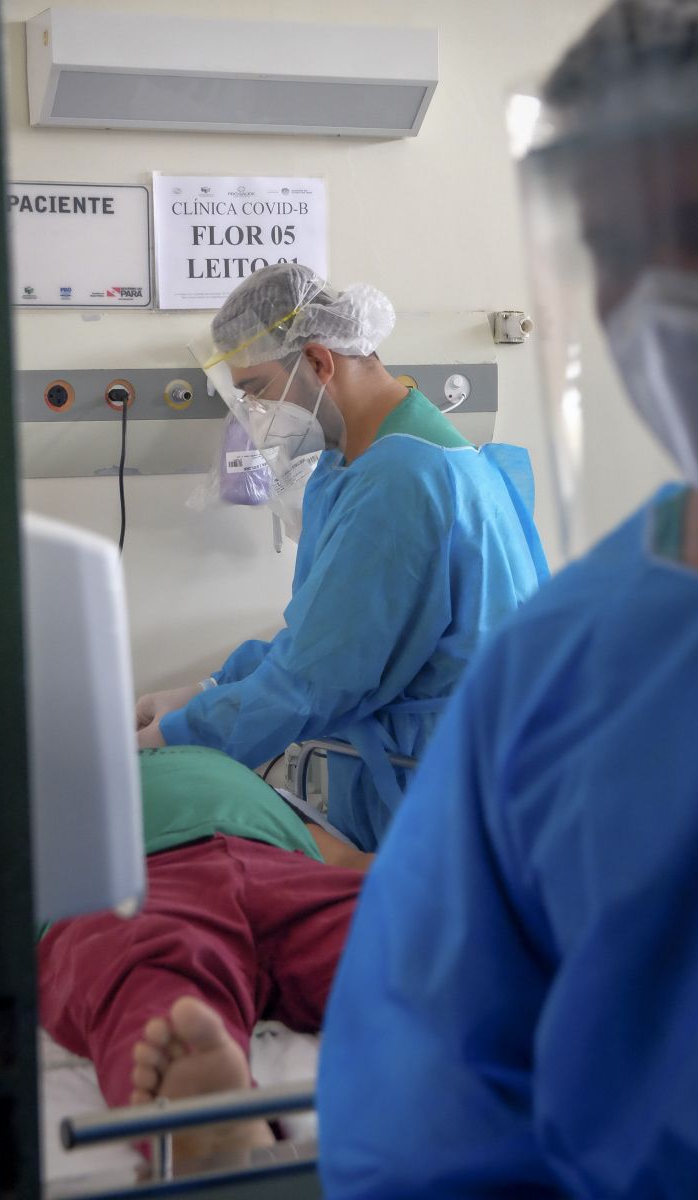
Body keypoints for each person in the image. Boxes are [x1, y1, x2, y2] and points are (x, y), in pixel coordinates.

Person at [318, 2, 698, 1196]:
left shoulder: (405, 478)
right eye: (610, 247)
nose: (655, 303)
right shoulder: (570, 666)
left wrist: (188, 723)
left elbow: (319, 667)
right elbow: (429, 1127)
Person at [137, 263, 549, 851]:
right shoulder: (358, 467)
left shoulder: (404, 481)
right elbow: (317, 636)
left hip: (447, 789)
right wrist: (205, 689)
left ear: (318, 362)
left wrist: (174, 739)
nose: (253, 416)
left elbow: (315, 683)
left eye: (255, 391)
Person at [38, 744, 367, 1168]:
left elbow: (346, 858)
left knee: (378, 932)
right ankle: (206, 1111)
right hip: (123, 889)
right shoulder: (37, 796)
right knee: (148, 979)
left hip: (277, 864)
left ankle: (202, 1101)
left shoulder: (209, 754)